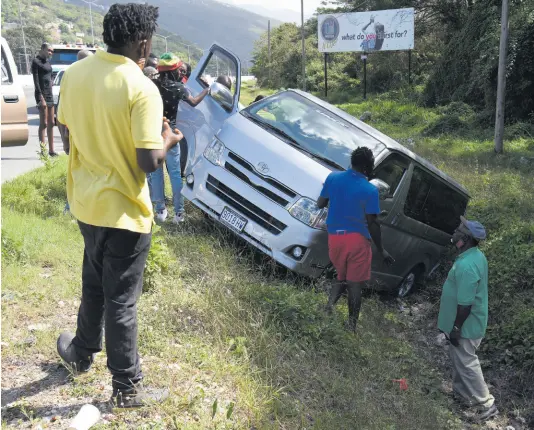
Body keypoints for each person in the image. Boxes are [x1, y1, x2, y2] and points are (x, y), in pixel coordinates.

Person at [56, 3, 183, 408]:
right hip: (125, 211)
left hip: (85, 202)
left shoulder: (75, 74)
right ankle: (127, 388)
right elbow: (147, 162)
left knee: (93, 283)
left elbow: (67, 131)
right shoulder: (142, 88)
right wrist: (168, 141)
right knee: (121, 300)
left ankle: (80, 353)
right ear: (143, 41)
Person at [317, 147, 393, 331]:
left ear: (352, 161)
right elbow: (372, 224)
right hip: (357, 241)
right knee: (355, 284)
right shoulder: (370, 190)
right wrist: (381, 249)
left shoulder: (333, 177)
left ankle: (327, 308)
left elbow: (320, 203)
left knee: (341, 276)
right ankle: (351, 326)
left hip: (334, 238)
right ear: (369, 166)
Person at [438, 217, 497, 422]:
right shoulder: (473, 256)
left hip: (466, 325)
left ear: (465, 239)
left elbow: (465, 304)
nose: (454, 232)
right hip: (464, 322)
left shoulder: (469, 265)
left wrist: (456, 327)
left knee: (467, 361)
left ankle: (486, 403)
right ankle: (461, 394)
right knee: (458, 359)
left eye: (458, 231)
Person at [147, 52, 209, 223]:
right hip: (171, 133)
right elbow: (194, 101)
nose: (180, 74)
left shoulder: (152, 84)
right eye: (179, 70)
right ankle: (179, 213)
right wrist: (207, 90)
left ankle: (160, 211)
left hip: (153, 133)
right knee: (174, 173)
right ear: (174, 70)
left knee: (156, 173)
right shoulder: (178, 87)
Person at [59, 48, 94, 214]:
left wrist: (65, 141)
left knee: (78, 171)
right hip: (85, 135)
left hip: (78, 134)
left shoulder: (71, 77)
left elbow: (61, 114)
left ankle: (74, 207)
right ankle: (73, 206)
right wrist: (65, 140)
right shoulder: (93, 78)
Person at [32, 43, 56, 156]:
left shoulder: (47, 62)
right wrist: (41, 97)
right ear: (42, 49)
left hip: (50, 94)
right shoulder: (36, 62)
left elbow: (50, 77)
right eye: (49, 50)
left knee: (51, 122)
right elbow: (36, 81)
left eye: (52, 51)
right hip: (42, 95)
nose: (50, 53)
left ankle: (52, 150)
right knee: (44, 123)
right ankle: (43, 151)